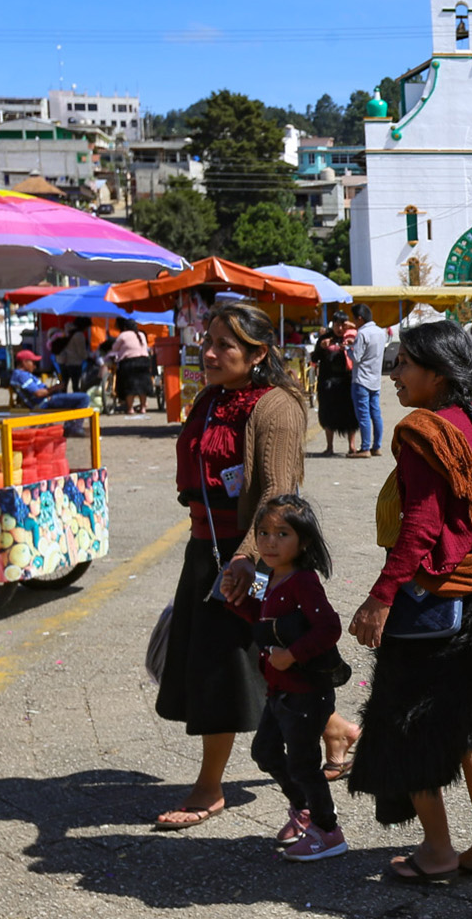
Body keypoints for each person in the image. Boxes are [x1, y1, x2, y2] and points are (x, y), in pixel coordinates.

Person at [347, 320, 472, 883]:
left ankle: (436, 850)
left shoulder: (424, 433)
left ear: (438, 374)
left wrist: (381, 598)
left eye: (405, 363)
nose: (395, 374)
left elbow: (422, 528)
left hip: (440, 608)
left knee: (408, 724)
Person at [153, 302, 360, 828]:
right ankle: (334, 727)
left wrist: (248, 560)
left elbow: (278, 494)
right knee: (251, 660)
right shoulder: (209, 399)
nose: (210, 352)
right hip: (208, 553)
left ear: (259, 353)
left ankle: (209, 787)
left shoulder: (276, 407)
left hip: (254, 556)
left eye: (226, 344)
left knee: (222, 666)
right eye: (208, 341)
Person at [227, 494, 349, 862]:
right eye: (263, 532)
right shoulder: (268, 576)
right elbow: (262, 619)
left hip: (306, 693)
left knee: (303, 764)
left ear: (304, 541)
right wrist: (236, 599)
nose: (269, 542)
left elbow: (329, 627)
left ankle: (328, 832)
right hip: (280, 692)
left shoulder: (303, 582)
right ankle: (304, 809)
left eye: (282, 534)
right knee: (264, 752)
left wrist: (292, 655)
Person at [10, 350, 92, 431]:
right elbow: (38, 393)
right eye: (33, 363)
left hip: (46, 399)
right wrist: (55, 388)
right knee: (84, 398)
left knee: (73, 398)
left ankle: (70, 425)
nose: (35, 366)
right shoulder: (21, 376)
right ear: (24, 362)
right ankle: (75, 427)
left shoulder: (19, 374)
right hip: (45, 402)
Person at [311, 314, 358, 457]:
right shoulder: (324, 339)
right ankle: (329, 446)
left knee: (350, 415)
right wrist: (320, 347)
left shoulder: (353, 337)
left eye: (343, 325)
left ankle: (352, 446)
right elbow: (314, 358)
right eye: (337, 325)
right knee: (327, 415)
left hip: (347, 381)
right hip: (328, 383)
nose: (340, 328)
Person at [347, 303, 387, 458]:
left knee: (363, 415)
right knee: (376, 413)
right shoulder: (380, 331)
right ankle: (376, 446)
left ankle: (365, 448)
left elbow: (356, 357)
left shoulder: (362, 333)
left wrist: (347, 349)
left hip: (361, 379)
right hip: (375, 378)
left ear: (359, 318)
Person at [106, 318, 154, 414]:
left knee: (129, 387)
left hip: (129, 363)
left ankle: (130, 408)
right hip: (144, 362)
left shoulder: (123, 335)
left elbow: (114, 348)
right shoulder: (141, 335)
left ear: (124, 327)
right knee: (142, 386)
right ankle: (143, 408)